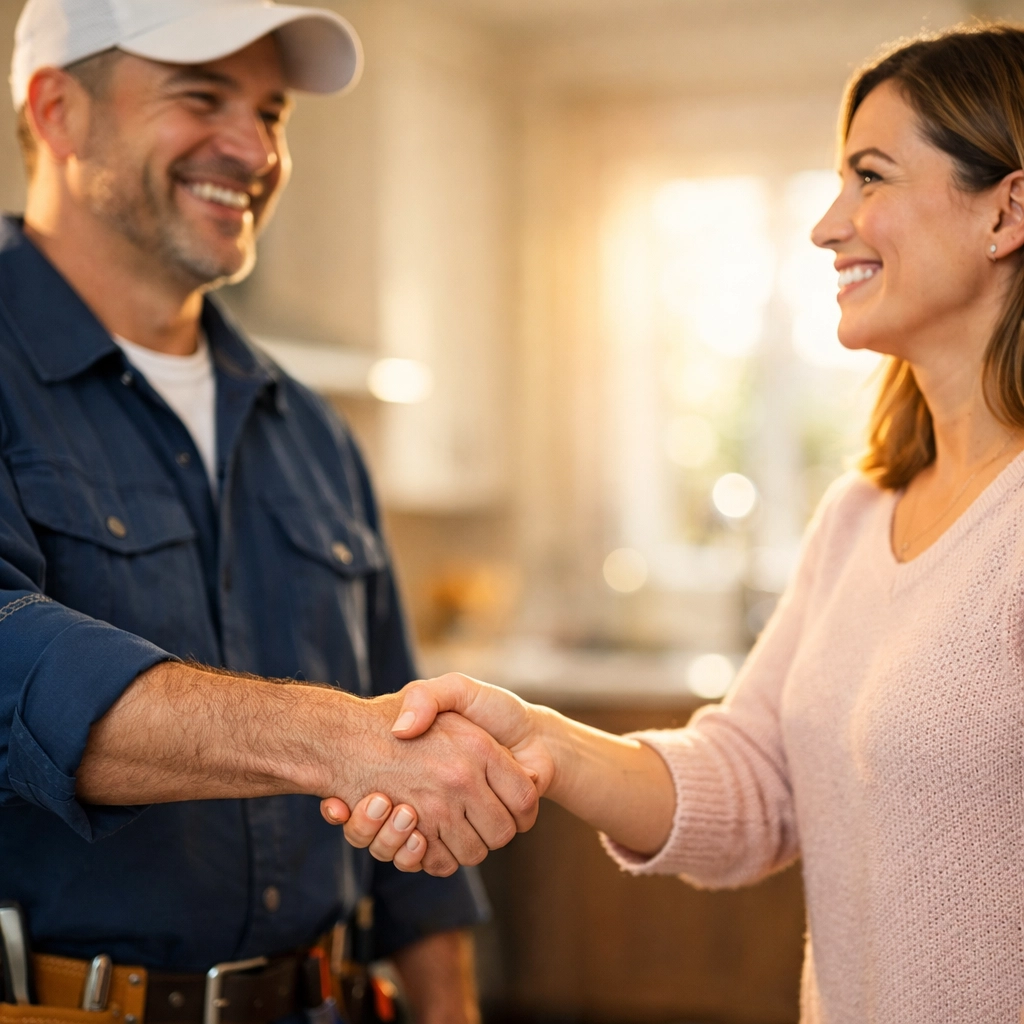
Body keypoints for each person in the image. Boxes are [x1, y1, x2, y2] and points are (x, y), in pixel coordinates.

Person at [329, 23, 1024, 1023]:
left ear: (1005, 210)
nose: (829, 224)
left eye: (870, 176)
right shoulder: (856, 519)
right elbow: (751, 784)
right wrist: (540, 739)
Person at [0, 1, 540, 1022]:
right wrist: (336, 736)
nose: (254, 150)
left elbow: (406, 765)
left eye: (273, 112)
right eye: (201, 97)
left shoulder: (315, 436)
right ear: (58, 110)